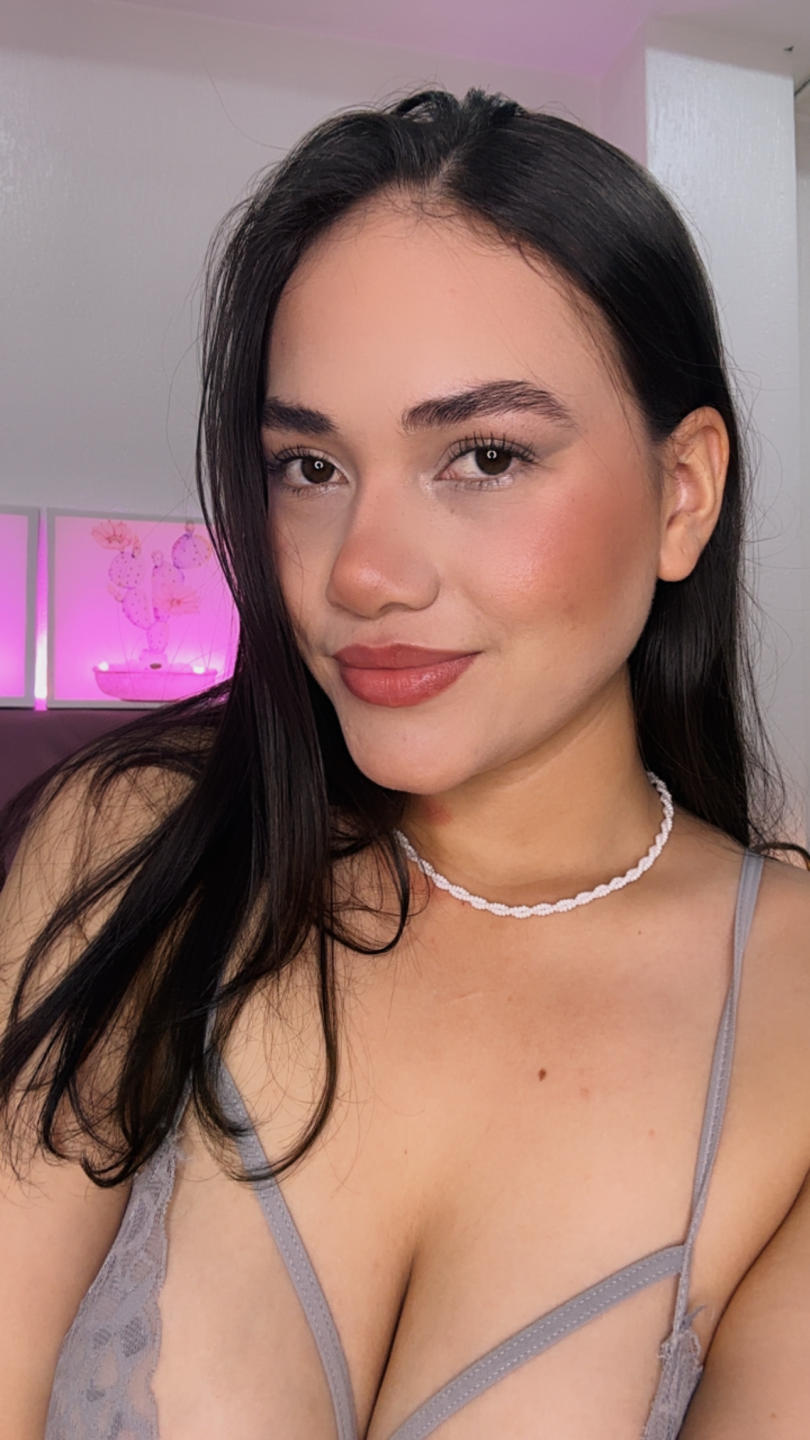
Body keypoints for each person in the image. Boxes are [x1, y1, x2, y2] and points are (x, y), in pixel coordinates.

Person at [1, 85, 809, 1440]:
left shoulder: (789, 1007)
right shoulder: (142, 846)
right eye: (311, 466)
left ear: (683, 493)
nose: (362, 574)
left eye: (483, 456)